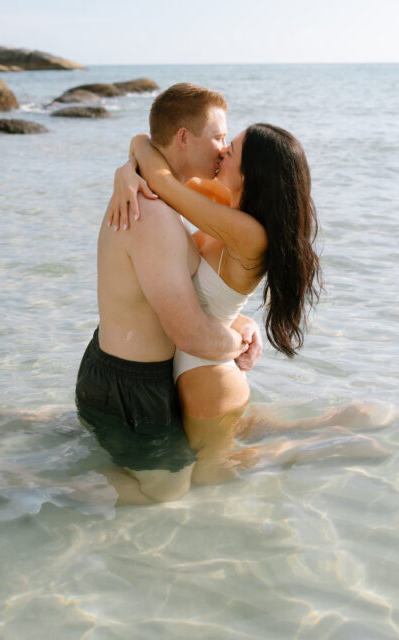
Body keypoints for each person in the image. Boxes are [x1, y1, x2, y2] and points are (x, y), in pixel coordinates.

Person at [108, 118, 327, 483]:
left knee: (211, 480)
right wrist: (126, 169)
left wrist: (132, 163)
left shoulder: (249, 233)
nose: (223, 150)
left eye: (233, 149)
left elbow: (161, 181)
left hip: (208, 380)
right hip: (199, 369)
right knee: (207, 470)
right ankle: (319, 429)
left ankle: (313, 447)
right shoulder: (228, 204)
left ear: (251, 172)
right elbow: (159, 162)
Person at [75, 83, 263, 505]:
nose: (222, 149)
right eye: (218, 137)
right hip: (129, 381)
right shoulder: (153, 211)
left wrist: (242, 321)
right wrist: (239, 341)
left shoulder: (155, 192)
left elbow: (189, 294)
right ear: (183, 138)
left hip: (129, 369)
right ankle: (18, 481)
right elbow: (189, 334)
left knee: (175, 477)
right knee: (165, 496)